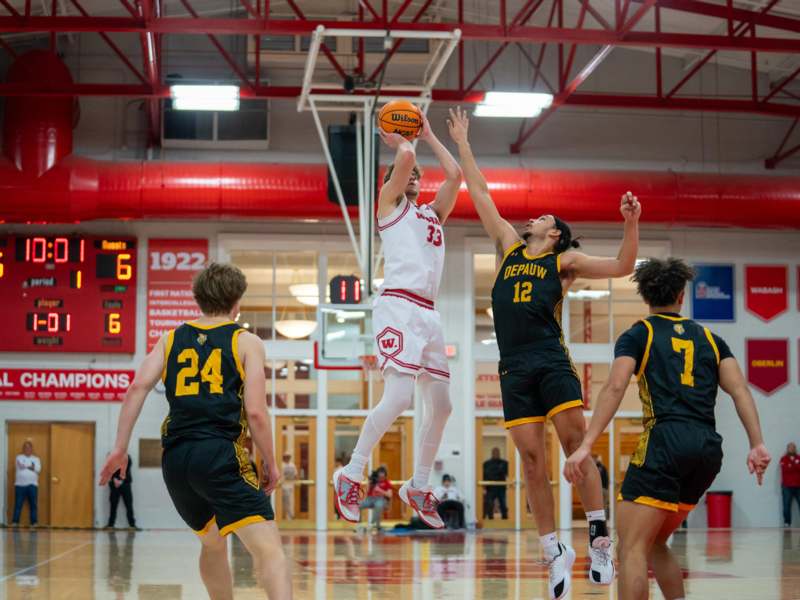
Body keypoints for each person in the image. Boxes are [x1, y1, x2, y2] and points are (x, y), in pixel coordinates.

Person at [448, 106, 635, 598]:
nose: (534, 217)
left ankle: (599, 537)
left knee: (575, 447)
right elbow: (480, 192)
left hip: (550, 359)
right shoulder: (508, 246)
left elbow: (622, 265)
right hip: (512, 367)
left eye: (545, 217)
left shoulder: (565, 261)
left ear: (554, 234)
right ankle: (553, 549)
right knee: (531, 461)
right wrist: (463, 143)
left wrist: (631, 223)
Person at [564, 258, 771, 600]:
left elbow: (615, 387)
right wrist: (757, 443)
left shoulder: (638, 334)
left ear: (646, 296)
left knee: (631, 547)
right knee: (656, 541)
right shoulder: (711, 339)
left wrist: (586, 444)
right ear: (681, 295)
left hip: (665, 441)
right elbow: (740, 390)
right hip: (706, 449)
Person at [99, 262, 292, 600]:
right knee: (270, 550)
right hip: (218, 453)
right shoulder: (246, 341)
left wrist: (119, 448)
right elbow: (256, 413)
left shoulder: (170, 339)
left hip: (176, 461)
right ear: (236, 303)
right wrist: (271, 463)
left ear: (198, 299)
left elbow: (137, 388)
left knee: (213, 542)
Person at [333, 108, 462, 529]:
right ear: (391, 181)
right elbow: (405, 158)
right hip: (398, 305)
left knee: (442, 406)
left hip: (428, 312)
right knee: (400, 398)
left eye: (418, 177)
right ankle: (351, 472)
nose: (413, 178)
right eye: (407, 175)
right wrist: (402, 139)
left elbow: (456, 175)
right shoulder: (389, 206)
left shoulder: (432, 215)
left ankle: (418, 485)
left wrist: (430, 134)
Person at [12, 440, 41, 527]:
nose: (27, 449)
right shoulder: (18, 457)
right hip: (20, 485)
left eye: (29, 447)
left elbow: (38, 469)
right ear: (23, 449)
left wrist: (27, 466)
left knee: (33, 505)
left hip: (32, 485)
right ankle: (15, 522)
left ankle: (34, 523)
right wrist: (31, 467)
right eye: (25, 447)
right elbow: (20, 466)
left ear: (31, 449)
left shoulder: (36, 459)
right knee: (18, 505)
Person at [106, 453, 138, 530]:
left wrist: (120, 480)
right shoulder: (111, 457)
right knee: (113, 504)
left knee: (128, 504)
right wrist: (114, 479)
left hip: (125, 484)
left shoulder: (127, 457)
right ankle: (110, 525)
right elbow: (109, 468)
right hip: (114, 484)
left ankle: (132, 525)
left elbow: (127, 468)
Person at [482, 447, 509, 520]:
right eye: (494, 452)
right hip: (490, 488)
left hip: (501, 488)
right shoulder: (486, 464)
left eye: (497, 452)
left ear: (499, 453)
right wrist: (484, 487)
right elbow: (483, 476)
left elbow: (508, 474)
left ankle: (505, 519)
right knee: (489, 504)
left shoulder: (504, 463)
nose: (496, 454)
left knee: (503, 504)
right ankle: (490, 519)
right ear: (492, 453)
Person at [781, 442, 800, 527]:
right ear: (787, 449)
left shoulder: (799, 458)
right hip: (787, 486)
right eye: (790, 447)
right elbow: (785, 469)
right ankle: (787, 523)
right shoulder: (783, 459)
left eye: (793, 447)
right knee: (786, 505)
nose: (791, 449)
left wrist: (791, 465)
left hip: (798, 485)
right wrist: (795, 464)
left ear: (795, 449)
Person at [281, 453, 298, 520]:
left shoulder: (292, 465)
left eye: (288, 457)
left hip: (290, 485)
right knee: (286, 501)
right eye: (286, 457)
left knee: (288, 501)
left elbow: (296, 474)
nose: (287, 458)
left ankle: (289, 515)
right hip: (283, 486)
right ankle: (290, 515)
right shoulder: (281, 464)